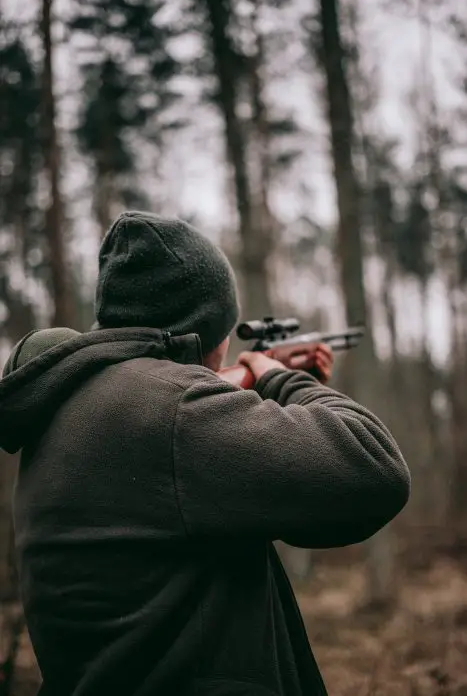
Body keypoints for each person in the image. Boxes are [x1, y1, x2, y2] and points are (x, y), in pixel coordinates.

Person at [0, 211, 410, 696]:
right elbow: (375, 468)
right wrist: (279, 379)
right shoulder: (174, 410)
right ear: (206, 329)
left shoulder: (70, 403)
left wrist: (250, 385)